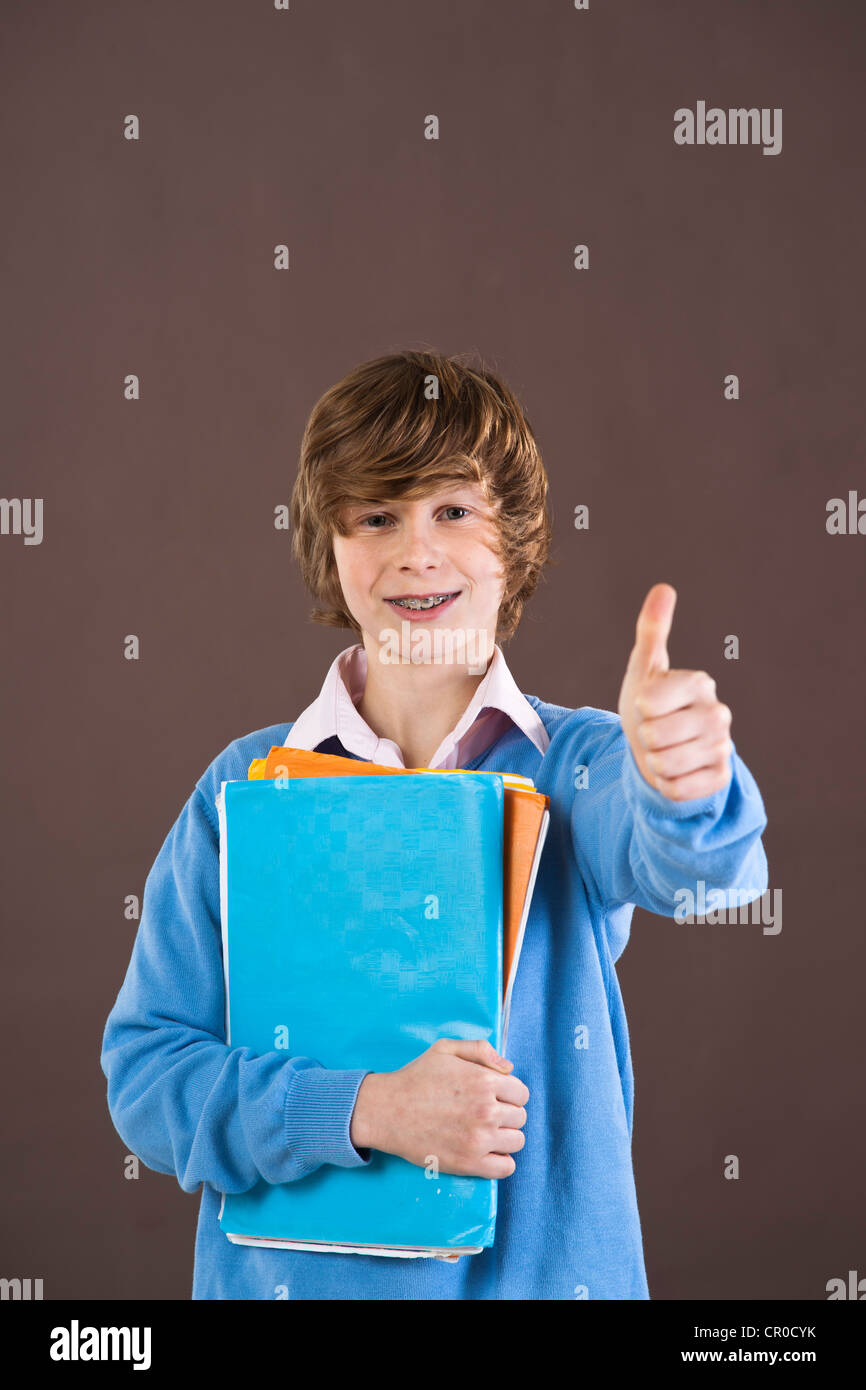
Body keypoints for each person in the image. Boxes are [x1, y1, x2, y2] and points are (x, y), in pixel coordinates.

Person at [101, 349, 768, 1299]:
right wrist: (365, 1109)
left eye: (453, 512)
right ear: (331, 546)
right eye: (378, 517)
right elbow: (148, 1073)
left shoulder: (578, 767)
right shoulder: (241, 790)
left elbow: (698, 872)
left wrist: (684, 775)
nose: (418, 553)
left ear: (516, 538)